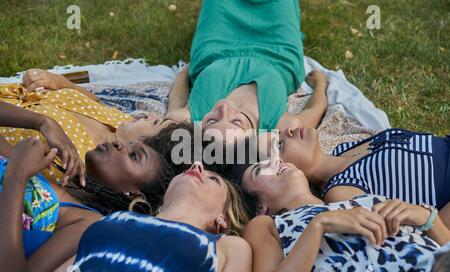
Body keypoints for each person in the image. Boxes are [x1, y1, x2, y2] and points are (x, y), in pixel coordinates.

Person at [3, 163, 252, 272]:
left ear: (222, 220)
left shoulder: (226, 247)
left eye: (213, 178)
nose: (197, 165)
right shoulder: (112, 222)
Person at [240, 159, 450, 272]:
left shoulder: (357, 199)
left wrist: (429, 219)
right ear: (260, 207)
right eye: (261, 169)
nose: (277, 160)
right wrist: (318, 226)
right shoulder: (267, 225)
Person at [0, 134, 175, 272]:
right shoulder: (50, 176)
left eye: (133, 156)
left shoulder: (88, 225)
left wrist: (16, 176)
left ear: (133, 194)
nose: (118, 143)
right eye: (128, 145)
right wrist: (42, 122)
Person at [166, 0, 328, 141]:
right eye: (236, 122)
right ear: (254, 139)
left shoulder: (188, 120)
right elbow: (315, 110)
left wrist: (183, 73)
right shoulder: (278, 125)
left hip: (216, 46)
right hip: (278, 52)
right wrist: (320, 83)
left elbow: (176, 101)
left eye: (212, 121)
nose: (223, 109)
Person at [258, 127, 450, 227]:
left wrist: (319, 86)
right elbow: (420, 230)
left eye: (279, 133)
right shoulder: (340, 191)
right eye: (280, 145)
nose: (288, 131)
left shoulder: (343, 149)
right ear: (282, 167)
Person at [0, 76, 171, 185]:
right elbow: (94, 100)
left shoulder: (77, 159)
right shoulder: (120, 121)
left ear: (144, 144)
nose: (152, 114)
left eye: (155, 123)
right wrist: (59, 81)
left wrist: (44, 122)